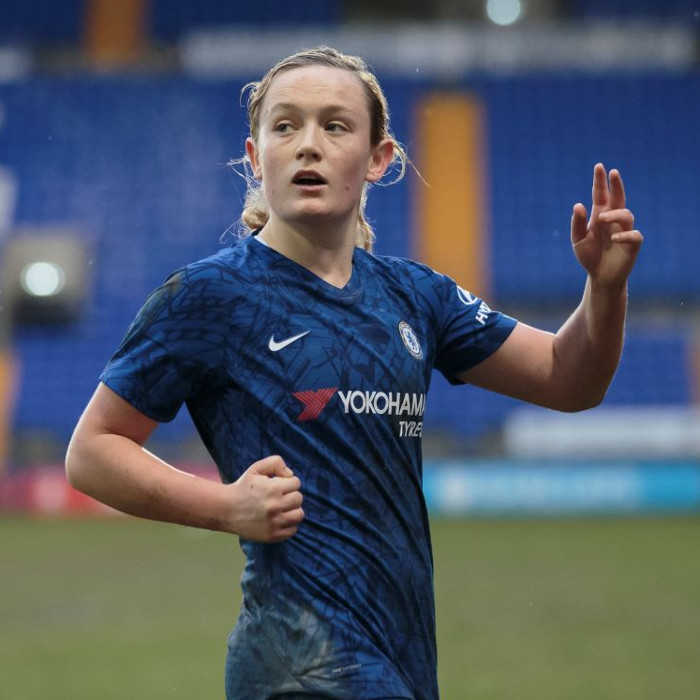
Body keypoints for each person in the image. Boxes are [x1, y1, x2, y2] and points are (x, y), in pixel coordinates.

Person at [65, 46, 643, 700]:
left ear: (378, 159)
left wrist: (605, 289)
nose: (308, 144)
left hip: (403, 661)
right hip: (296, 664)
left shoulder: (416, 296)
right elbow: (93, 452)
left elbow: (569, 379)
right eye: (285, 126)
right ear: (255, 156)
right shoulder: (209, 296)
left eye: (335, 126)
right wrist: (226, 507)